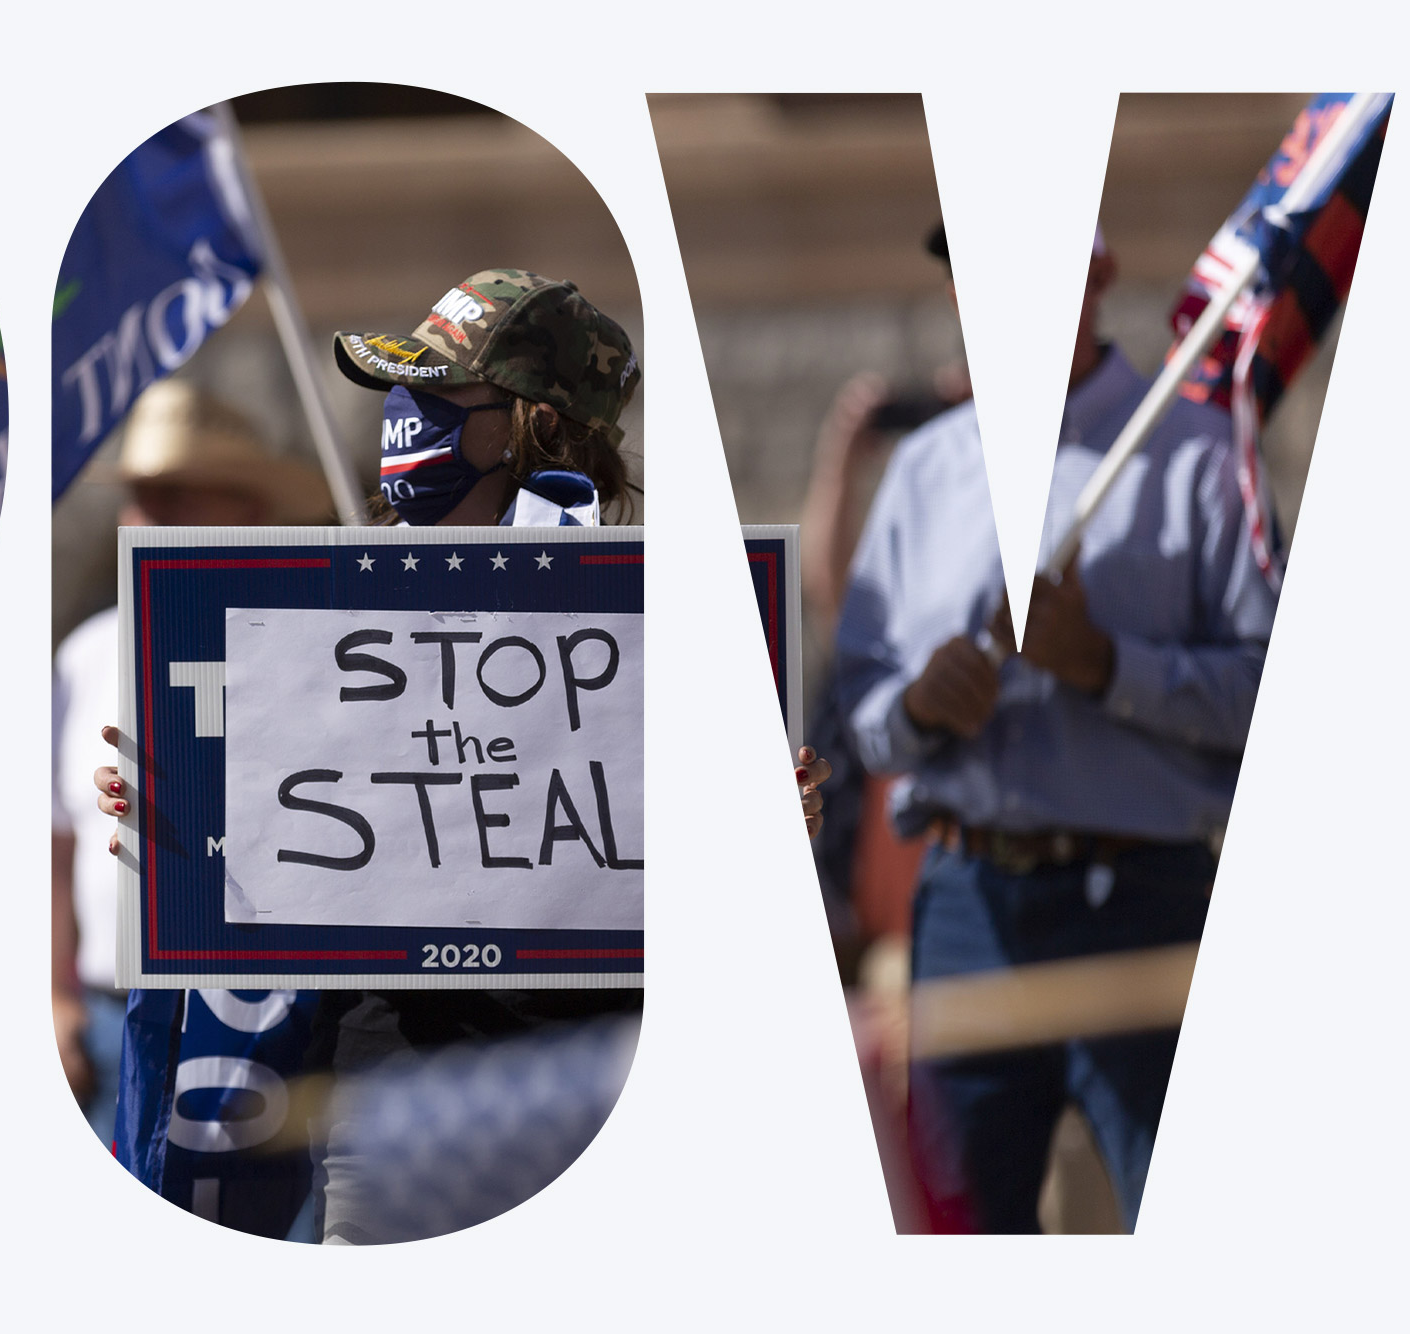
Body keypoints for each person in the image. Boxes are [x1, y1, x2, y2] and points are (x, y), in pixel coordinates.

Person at [95, 270, 828, 1242]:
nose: (407, 415)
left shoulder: (664, 630)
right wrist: (175, 822)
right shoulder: (310, 616)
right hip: (386, 1113)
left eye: (441, 393)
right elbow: (264, 854)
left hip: (603, 1103)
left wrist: (768, 833)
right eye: (409, 392)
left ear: (534, 423)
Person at [834, 231, 1277, 1232]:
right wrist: (914, 708)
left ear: (1100, 271)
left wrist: (1102, 665)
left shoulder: (1202, 456)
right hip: (963, 911)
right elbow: (859, 702)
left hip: (1146, 906)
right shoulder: (921, 471)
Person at [50, 380, 331, 1142]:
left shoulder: (316, 643)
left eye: (174, 496)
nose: (143, 518)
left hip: (272, 1024)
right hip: (115, 1024)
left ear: (249, 509)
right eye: (140, 496)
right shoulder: (84, 654)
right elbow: (55, 842)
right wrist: (58, 1000)